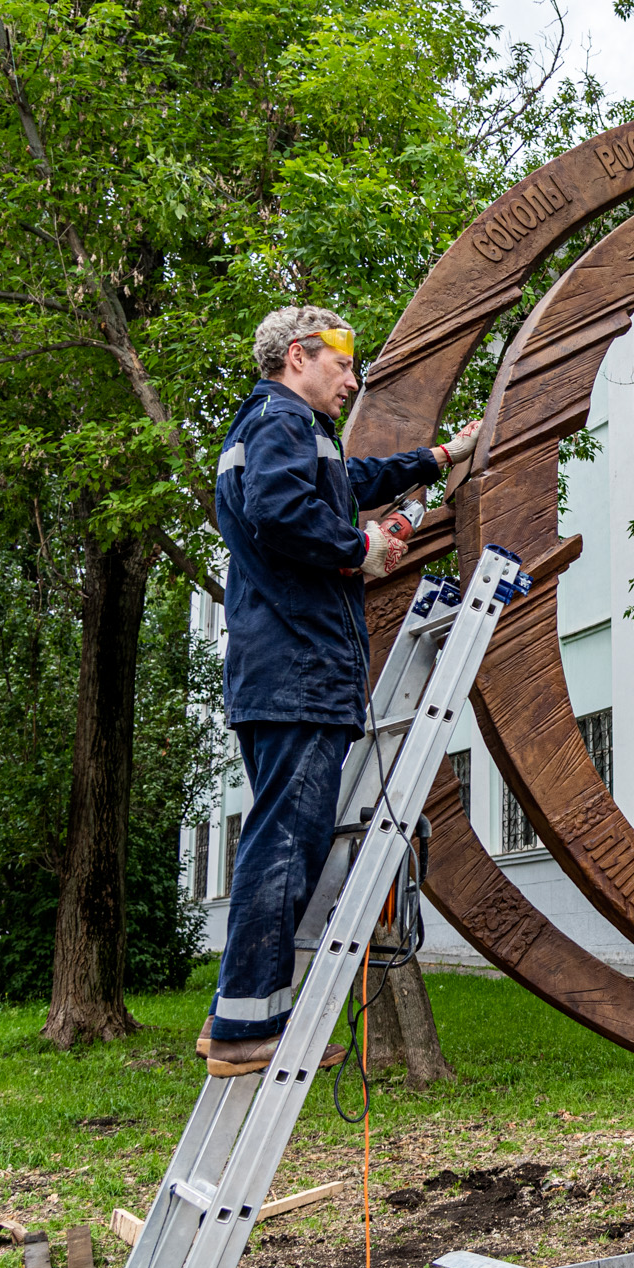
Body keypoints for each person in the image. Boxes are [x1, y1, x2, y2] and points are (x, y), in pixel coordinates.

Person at [200, 305, 466, 1078]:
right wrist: (360, 549)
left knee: (281, 836)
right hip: (300, 672)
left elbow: (347, 480)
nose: (353, 381)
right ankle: (246, 1025)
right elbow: (284, 512)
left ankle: (248, 1014)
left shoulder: (277, 429)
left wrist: (437, 456)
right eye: (343, 366)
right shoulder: (281, 419)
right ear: (296, 356)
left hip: (280, 671)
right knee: (286, 843)